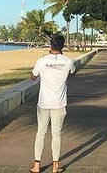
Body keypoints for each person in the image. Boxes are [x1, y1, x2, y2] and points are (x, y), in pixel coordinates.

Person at [29, 33, 75, 173]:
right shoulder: (68, 61)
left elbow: (33, 77)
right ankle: (55, 166)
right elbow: (72, 72)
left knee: (41, 132)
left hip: (43, 103)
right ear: (62, 46)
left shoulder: (42, 61)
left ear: (50, 45)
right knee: (56, 134)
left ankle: (37, 165)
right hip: (59, 103)